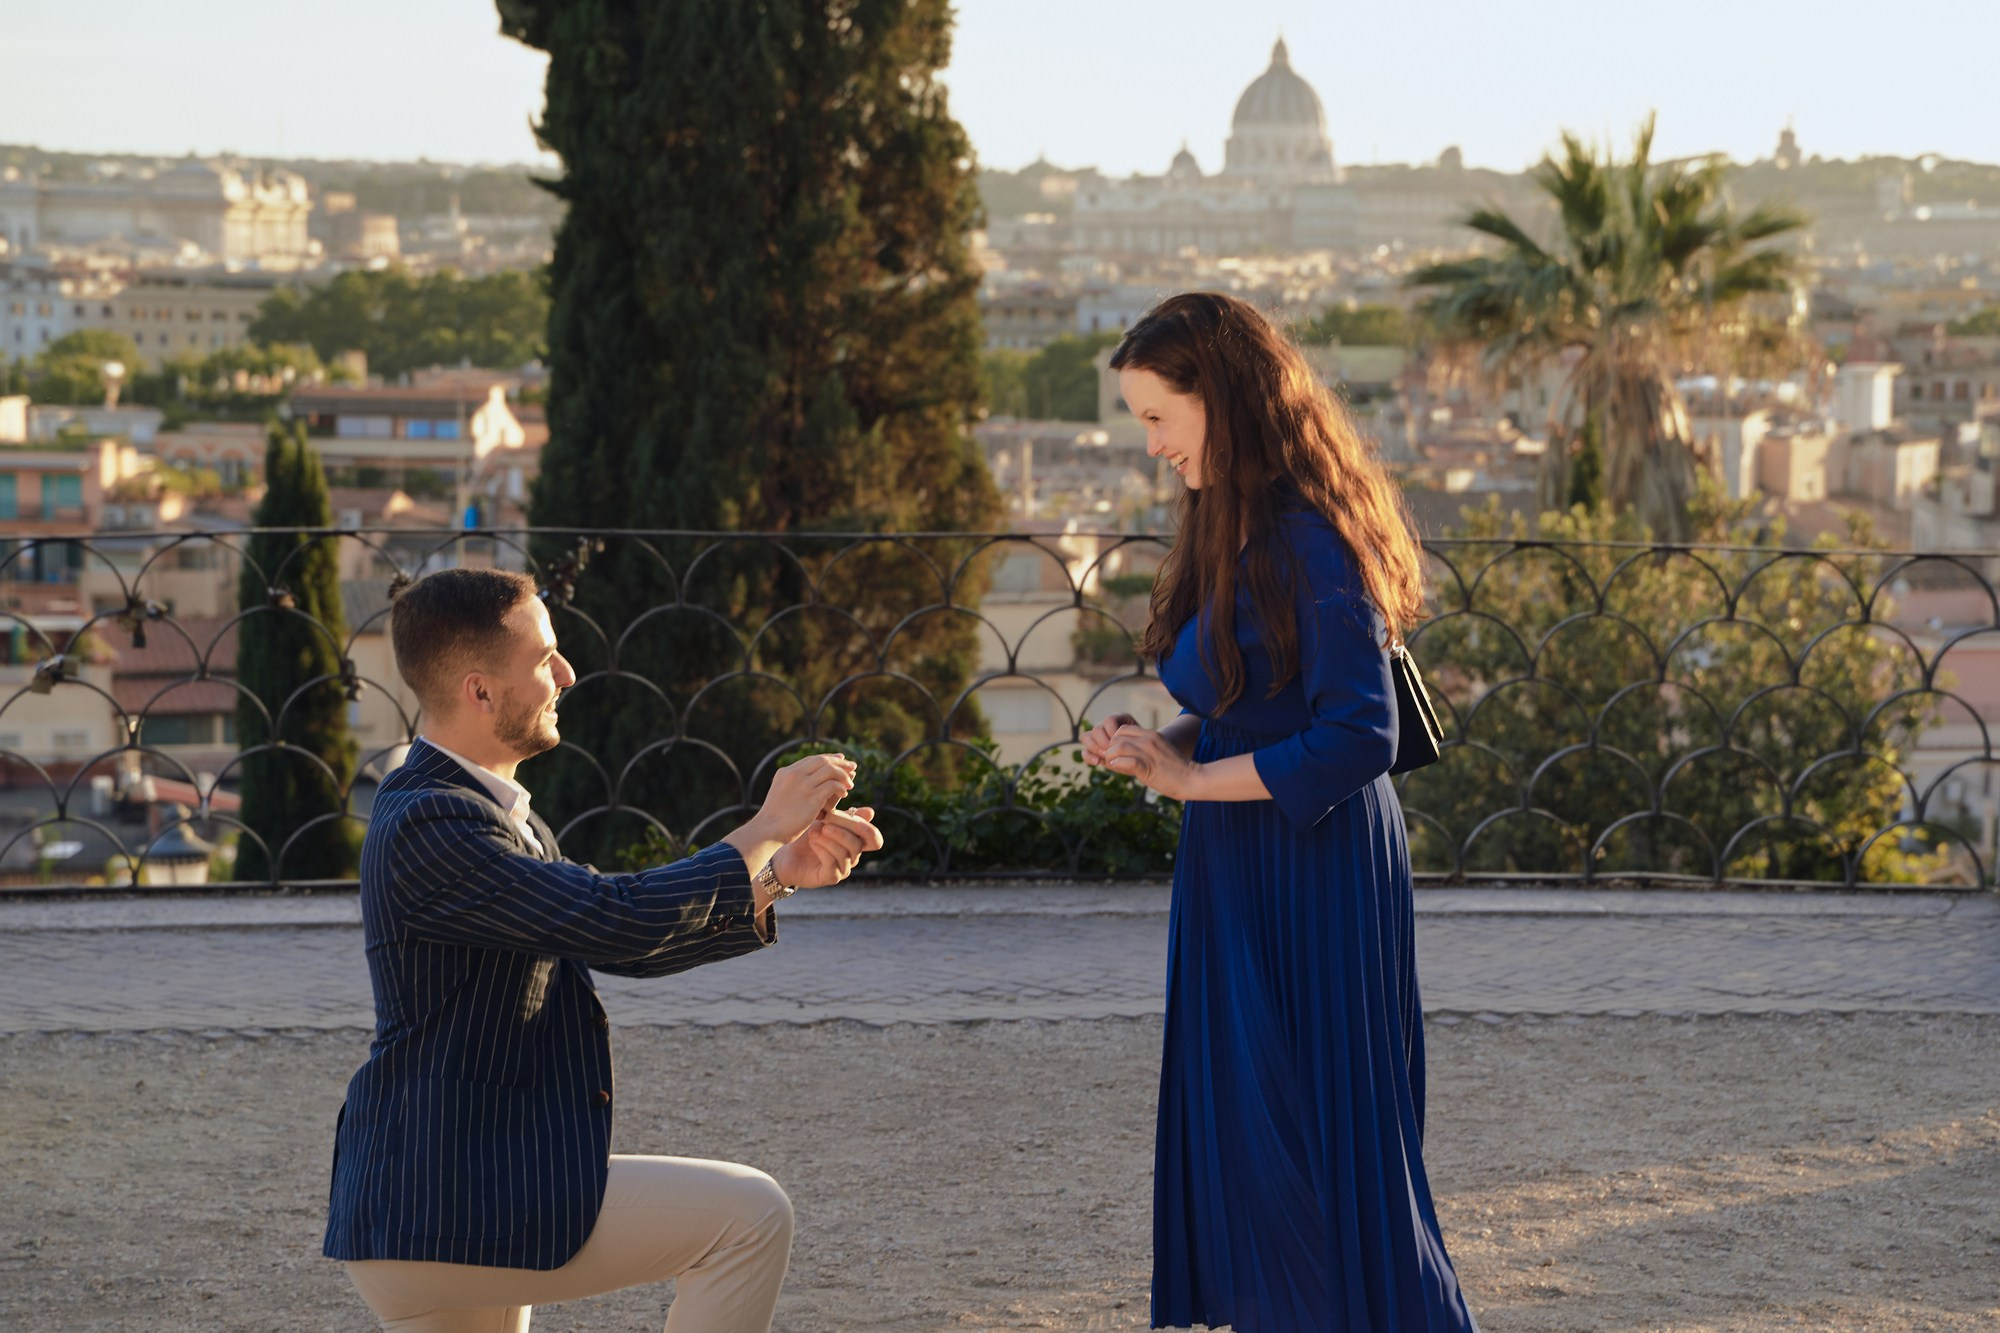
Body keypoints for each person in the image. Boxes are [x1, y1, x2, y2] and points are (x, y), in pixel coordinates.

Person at [324, 567, 883, 1333]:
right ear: (480, 691)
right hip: (450, 1198)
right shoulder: (434, 823)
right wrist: (763, 830)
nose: (568, 673)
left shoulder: (482, 808)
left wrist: (777, 875)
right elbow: (617, 920)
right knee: (748, 1217)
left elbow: (623, 940)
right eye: (545, 657)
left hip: (451, 1191)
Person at [1083, 293, 1479, 1331]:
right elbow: (1240, 698)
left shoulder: (1309, 535)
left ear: (1218, 399)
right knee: (1246, 1134)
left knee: (1323, 1137)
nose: (1152, 445)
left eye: (1158, 418)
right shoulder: (1229, 519)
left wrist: (1191, 782)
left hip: (1312, 862)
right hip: (1234, 857)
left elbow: (1358, 734)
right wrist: (1157, 749)